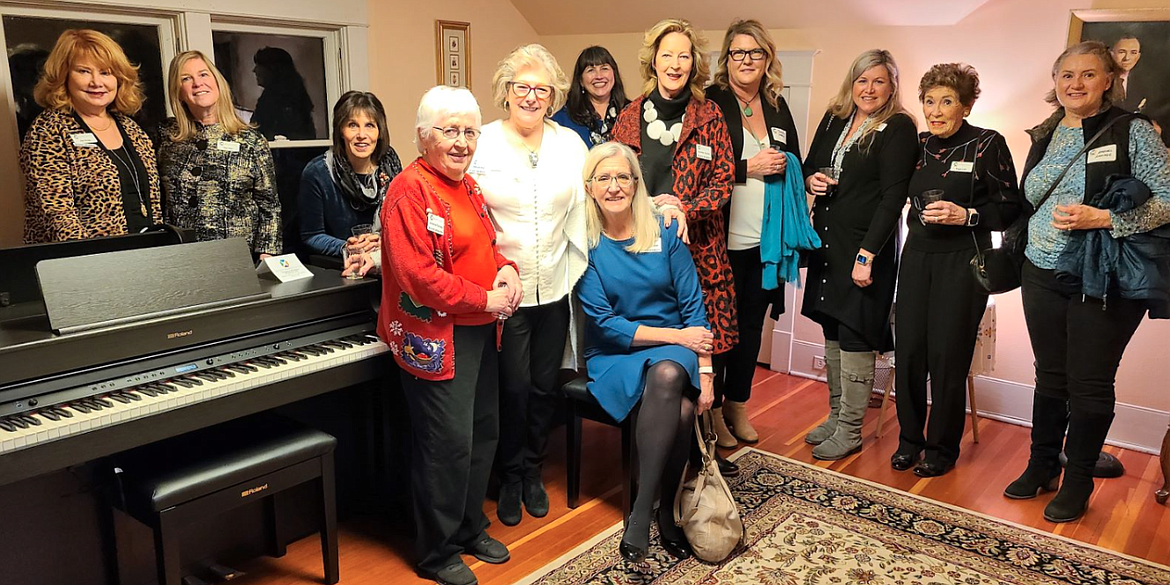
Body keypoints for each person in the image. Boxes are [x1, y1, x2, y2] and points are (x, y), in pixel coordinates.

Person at [1003, 41, 1170, 523]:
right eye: (1066, 75)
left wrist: (1104, 218)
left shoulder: (1132, 130)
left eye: (1088, 75)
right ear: (1055, 83)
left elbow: (1167, 198)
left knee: (1090, 384)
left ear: (1108, 80)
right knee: (1050, 375)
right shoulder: (1047, 131)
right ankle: (1041, 466)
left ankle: (1077, 481)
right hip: (1041, 270)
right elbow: (1030, 198)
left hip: (1103, 278)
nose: (1075, 84)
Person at [377, 85, 521, 585]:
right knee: (446, 445)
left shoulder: (469, 186)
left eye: (469, 131)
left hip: (481, 333)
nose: (461, 142)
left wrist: (507, 272)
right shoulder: (407, 191)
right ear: (422, 137)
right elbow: (417, 275)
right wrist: (485, 298)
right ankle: (436, 552)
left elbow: (487, 247)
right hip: (435, 338)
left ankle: (467, 526)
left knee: (482, 435)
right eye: (449, 130)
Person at [466, 44, 590, 528]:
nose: (532, 97)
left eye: (542, 89)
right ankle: (510, 474)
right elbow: (468, 212)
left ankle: (534, 470)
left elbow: (591, 199)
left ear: (554, 94)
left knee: (544, 386)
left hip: (555, 285)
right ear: (506, 91)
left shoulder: (569, 144)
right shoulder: (484, 142)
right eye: (523, 87)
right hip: (505, 291)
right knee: (511, 389)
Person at [575, 141, 713, 563]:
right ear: (590, 187)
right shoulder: (585, 245)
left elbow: (693, 309)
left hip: (677, 350)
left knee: (671, 374)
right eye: (604, 178)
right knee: (682, 408)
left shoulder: (666, 231)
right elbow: (607, 324)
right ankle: (661, 516)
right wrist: (678, 339)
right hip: (618, 350)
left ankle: (642, 513)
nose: (614, 186)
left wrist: (705, 373)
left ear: (637, 183)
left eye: (623, 177)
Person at [612, 18, 738, 474]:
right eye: (667, 54)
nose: (676, 63)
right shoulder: (629, 114)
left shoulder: (710, 116)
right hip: (641, 252)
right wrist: (644, 209)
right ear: (654, 60)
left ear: (694, 64)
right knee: (662, 347)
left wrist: (686, 206)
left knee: (703, 345)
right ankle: (660, 448)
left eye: (684, 55)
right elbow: (614, 175)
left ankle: (701, 450)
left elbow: (724, 181)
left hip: (699, 251)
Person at [892, 63, 1022, 477]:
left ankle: (941, 448)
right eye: (929, 101)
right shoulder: (918, 145)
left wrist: (965, 215)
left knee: (947, 356)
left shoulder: (987, 144)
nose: (935, 109)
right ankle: (909, 440)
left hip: (964, 261)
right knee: (910, 352)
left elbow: (1010, 208)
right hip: (917, 257)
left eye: (946, 101)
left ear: (966, 105)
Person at [801, 49, 918, 460]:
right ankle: (836, 416)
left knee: (856, 333)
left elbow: (892, 198)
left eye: (879, 81)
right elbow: (809, 164)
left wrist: (868, 254)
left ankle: (851, 428)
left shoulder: (898, 127)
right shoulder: (835, 118)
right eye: (862, 80)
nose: (869, 89)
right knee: (831, 328)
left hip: (867, 247)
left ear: (892, 86)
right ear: (851, 83)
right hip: (828, 243)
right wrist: (811, 178)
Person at [705, 18, 802, 449]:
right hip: (718, 242)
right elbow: (696, 170)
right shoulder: (709, 103)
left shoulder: (777, 106)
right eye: (738, 53)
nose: (746, 61)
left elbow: (794, 158)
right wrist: (748, 168)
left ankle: (737, 405)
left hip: (764, 244)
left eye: (755, 53)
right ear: (726, 60)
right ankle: (710, 414)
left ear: (767, 59)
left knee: (749, 328)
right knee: (718, 331)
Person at [20, 29, 161, 244]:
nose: (96, 82)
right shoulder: (49, 131)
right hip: (84, 265)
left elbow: (152, 203)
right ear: (64, 76)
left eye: (106, 73)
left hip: (143, 259)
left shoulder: (132, 129)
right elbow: (57, 216)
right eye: (84, 71)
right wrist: (94, 266)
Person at [158, 50, 281, 257]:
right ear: (178, 91)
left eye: (204, 74)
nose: (198, 83)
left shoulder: (250, 140)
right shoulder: (166, 137)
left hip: (238, 259)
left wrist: (266, 255)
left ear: (217, 81)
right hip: (182, 258)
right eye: (186, 78)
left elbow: (270, 206)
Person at [299, 91, 402, 257]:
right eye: (352, 125)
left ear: (379, 132)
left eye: (369, 125)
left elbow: (401, 223)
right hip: (340, 269)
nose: (362, 135)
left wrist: (381, 240)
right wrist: (347, 247)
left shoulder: (390, 165)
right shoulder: (317, 173)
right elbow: (311, 235)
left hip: (385, 262)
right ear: (340, 130)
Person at [551, 46, 630, 146]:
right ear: (581, 81)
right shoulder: (562, 118)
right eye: (590, 70)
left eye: (604, 68)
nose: (599, 76)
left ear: (614, 74)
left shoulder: (632, 113)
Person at [251, 46, 315, 141]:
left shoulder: (284, 101)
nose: (255, 70)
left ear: (273, 69)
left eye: (260, 65)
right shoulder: (271, 97)